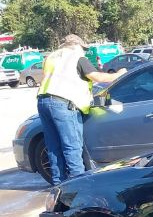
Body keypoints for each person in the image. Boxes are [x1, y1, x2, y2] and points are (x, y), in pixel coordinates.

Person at [37, 34, 127, 186]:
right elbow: (97, 77)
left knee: (53, 147)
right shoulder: (76, 57)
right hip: (64, 104)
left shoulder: (51, 57)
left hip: (43, 102)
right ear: (76, 46)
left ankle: (59, 186)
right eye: (83, 48)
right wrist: (120, 74)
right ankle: (78, 187)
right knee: (72, 147)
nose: (84, 52)